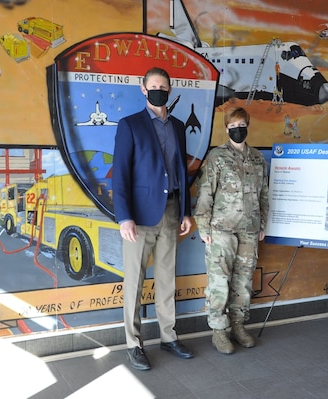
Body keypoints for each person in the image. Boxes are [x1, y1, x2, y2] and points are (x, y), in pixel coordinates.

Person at [112, 67, 194, 371]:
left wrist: (186, 211)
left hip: (172, 212)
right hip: (140, 218)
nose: (159, 90)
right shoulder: (130, 125)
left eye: (164, 86)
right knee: (134, 283)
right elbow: (119, 174)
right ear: (144, 90)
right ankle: (134, 345)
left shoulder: (178, 127)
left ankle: (168, 337)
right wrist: (124, 218)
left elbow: (182, 174)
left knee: (166, 279)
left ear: (170, 91)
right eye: (154, 86)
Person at [194, 107, 269, 355]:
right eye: (233, 125)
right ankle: (218, 330)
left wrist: (262, 225)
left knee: (244, 281)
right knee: (219, 282)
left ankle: (238, 326)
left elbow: (264, 195)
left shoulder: (258, 159)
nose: (238, 129)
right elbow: (205, 193)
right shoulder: (217, 157)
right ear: (226, 128)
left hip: (249, 229)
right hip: (221, 230)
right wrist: (203, 226)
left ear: (248, 125)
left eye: (242, 124)